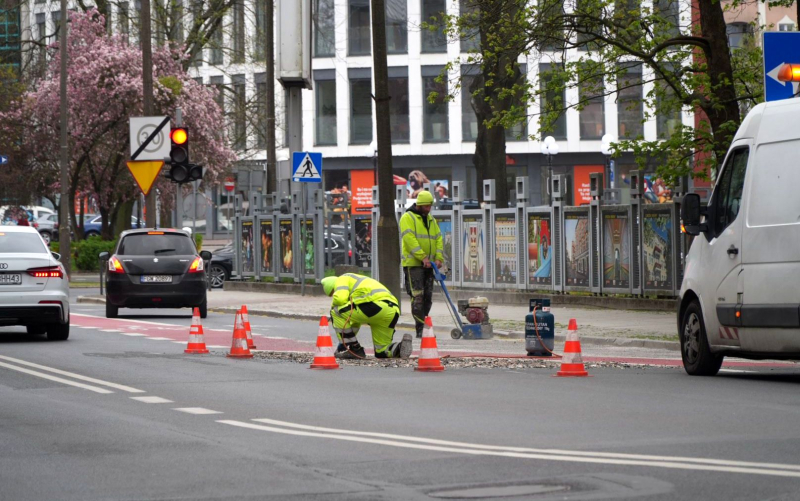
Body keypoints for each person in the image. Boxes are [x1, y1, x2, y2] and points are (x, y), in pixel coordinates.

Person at [322, 274, 412, 360]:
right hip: (392, 310)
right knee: (381, 351)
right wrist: (345, 340)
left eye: (333, 293)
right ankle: (400, 347)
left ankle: (353, 348)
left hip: (374, 305)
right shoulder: (358, 282)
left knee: (335, 311)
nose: (334, 295)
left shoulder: (341, 279)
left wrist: (346, 345)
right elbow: (354, 321)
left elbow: (340, 299)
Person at [399, 190, 444, 338]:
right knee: (417, 297)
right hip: (414, 265)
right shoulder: (408, 218)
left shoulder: (431, 220)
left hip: (429, 265)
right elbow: (409, 239)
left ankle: (424, 325)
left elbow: (438, 238)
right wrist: (422, 257)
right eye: (426, 206)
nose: (429, 209)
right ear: (419, 204)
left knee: (427, 298)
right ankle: (421, 329)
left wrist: (438, 258)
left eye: (430, 206)